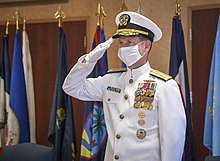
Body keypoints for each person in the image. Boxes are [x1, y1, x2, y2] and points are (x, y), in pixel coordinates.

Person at [63, 11, 186, 161]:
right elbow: (70, 86)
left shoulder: (165, 86)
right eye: (121, 43)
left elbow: (172, 141)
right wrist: (90, 58)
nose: (123, 48)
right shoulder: (110, 81)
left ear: (146, 46)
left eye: (130, 43)